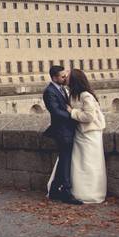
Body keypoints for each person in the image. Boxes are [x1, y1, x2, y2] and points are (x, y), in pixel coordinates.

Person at [64, 68, 107, 204]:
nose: (65, 78)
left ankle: (90, 193)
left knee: (89, 164)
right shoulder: (76, 94)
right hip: (84, 132)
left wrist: (72, 112)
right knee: (83, 164)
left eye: (68, 76)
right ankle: (83, 192)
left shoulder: (85, 95)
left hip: (90, 133)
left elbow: (89, 116)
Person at [41, 65, 82, 204]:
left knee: (64, 161)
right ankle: (66, 192)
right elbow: (56, 112)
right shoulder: (49, 91)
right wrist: (74, 115)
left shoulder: (60, 88)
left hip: (66, 130)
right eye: (62, 76)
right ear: (54, 77)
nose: (65, 78)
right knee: (65, 161)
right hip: (61, 131)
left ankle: (54, 190)